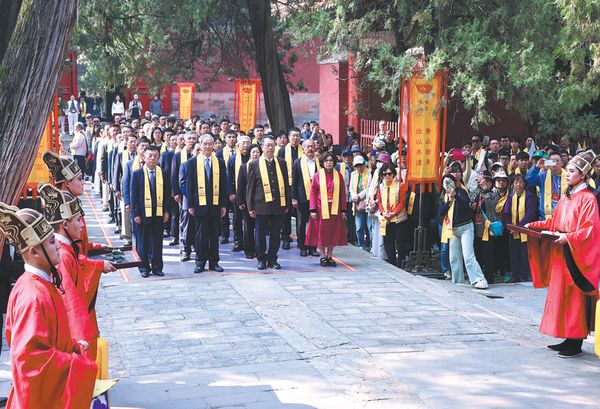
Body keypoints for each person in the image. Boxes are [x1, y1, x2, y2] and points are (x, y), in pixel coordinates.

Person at [0, 204, 97, 408]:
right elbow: (31, 361)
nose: (59, 246)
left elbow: (44, 341)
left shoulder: (38, 284)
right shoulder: (32, 295)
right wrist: (77, 364)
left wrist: (70, 346)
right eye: (52, 242)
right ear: (34, 252)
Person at [525, 151, 600, 358]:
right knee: (561, 297)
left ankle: (575, 343)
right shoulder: (568, 197)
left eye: (572, 171)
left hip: (575, 255)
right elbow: (553, 223)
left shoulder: (588, 198)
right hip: (562, 252)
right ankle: (567, 337)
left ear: (583, 175)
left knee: (574, 298)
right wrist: (535, 226)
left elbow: (590, 230)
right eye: (567, 170)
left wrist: (569, 238)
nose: (567, 174)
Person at [37, 183, 99, 359]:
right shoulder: (62, 255)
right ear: (65, 224)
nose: (82, 225)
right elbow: (70, 305)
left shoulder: (64, 250)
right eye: (78, 220)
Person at [181, 134, 227, 273]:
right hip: (198, 204)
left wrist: (223, 205)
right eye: (205, 144)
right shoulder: (192, 162)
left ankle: (214, 262)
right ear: (200, 145)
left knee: (214, 235)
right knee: (200, 235)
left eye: (210, 144)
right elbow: (189, 186)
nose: (207, 146)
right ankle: (200, 262)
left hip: (215, 204)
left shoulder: (220, 162)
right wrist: (190, 205)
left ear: (213, 145)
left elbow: (223, 185)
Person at [246, 136, 290, 270]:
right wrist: (250, 207)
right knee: (260, 234)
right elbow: (250, 188)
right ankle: (261, 259)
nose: (270, 148)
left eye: (272, 145)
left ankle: (272, 258)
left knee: (276, 234)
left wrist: (287, 203)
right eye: (267, 145)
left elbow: (286, 185)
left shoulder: (281, 162)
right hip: (261, 205)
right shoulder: (254, 164)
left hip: (278, 205)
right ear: (262, 147)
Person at [439, 173, 488, 289]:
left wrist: (455, 196)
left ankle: (480, 279)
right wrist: (449, 201)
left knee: (468, 255)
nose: (447, 184)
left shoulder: (461, 192)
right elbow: (440, 212)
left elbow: (467, 206)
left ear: (455, 183)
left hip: (466, 227)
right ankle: (458, 281)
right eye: (445, 183)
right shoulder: (444, 196)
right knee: (454, 258)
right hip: (454, 230)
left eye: (449, 182)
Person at [131, 145, 171, 277]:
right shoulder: (137, 173)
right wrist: (135, 213)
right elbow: (134, 195)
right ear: (144, 157)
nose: (152, 159)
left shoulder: (164, 173)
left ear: (159, 158)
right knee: (142, 242)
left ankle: (157, 267)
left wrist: (166, 211)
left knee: (158, 241)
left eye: (155, 156)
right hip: (142, 214)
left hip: (158, 213)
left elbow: (166, 195)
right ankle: (143, 268)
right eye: (150, 156)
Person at [306, 151, 348, 266]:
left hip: (334, 208)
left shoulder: (338, 176)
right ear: (322, 162)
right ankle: (323, 256)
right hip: (320, 209)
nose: (328, 163)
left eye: (330, 160)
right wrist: (313, 209)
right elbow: (313, 193)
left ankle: (330, 255)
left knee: (332, 232)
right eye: (326, 160)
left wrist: (343, 210)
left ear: (334, 162)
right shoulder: (317, 175)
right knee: (321, 232)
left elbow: (342, 194)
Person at [503, 174, 537, 282]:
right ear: (512, 185)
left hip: (525, 230)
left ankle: (524, 276)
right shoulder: (510, 197)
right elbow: (506, 213)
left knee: (524, 254)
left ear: (525, 184)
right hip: (513, 231)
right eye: (516, 183)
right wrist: (510, 227)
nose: (519, 185)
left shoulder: (530, 196)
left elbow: (530, 215)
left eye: (521, 182)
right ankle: (515, 274)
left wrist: (518, 227)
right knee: (514, 254)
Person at [292, 138, 321, 257]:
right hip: (302, 197)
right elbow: (294, 181)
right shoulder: (298, 162)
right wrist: (294, 198)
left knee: (314, 224)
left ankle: (313, 248)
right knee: (301, 224)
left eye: (312, 146)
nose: (310, 148)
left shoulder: (319, 162)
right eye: (307, 147)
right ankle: (303, 247)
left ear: (315, 148)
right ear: (303, 149)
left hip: (316, 198)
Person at [172, 131, 198, 261]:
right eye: (189, 139)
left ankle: (198, 247)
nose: (192, 140)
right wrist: (177, 192)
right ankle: (185, 249)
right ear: (184, 141)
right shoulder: (179, 156)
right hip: (185, 197)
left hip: (203, 198)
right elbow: (175, 176)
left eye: (194, 138)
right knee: (186, 223)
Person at [470, 171, 499, 284]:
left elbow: (491, 205)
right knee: (477, 255)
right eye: (482, 181)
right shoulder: (478, 193)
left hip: (487, 229)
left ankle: (489, 278)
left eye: (487, 181)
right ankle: (478, 277)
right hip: (476, 228)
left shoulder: (494, 194)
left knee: (488, 255)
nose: (484, 183)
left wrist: (485, 189)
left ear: (491, 183)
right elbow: (471, 200)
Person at [376, 164, 408, 267]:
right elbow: (379, 201)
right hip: (386, 217)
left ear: (393, 174)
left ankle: (400, 264)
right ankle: (392, 263)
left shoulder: (400, 186)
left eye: (389, 174)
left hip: (398, 218)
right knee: (388, 241)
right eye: (384, 174)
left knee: (400, 242)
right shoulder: (381, 186)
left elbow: (402, 201)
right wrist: (383, 212)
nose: (387, 176)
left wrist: (394, 213)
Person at [236, 143, 261, 259]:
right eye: (253, 152)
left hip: (261, 202)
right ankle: (249, 250)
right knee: (248, 227)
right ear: (249, 154)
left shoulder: (264, 166)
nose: (255, 154)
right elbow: (240, 186)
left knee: (260, 228)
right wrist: (240, 201)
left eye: (257, 152)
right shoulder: (244, 167)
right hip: (247, 203)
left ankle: (259, 249)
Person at [226, 135, 251, 252]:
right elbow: (228, 177)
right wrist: (231, 193)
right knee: (237, 219)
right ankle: (238, 241)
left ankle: (249, 242)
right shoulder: (233, 159)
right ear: (238, 146)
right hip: (238, 194)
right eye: (243, 143)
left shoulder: (255, 158)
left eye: (248, 143)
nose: (245, 145)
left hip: (252, 195)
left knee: (249, 221)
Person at [113, 134, 138, 246]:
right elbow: (116, 172)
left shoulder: (140, 155)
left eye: (135, 142)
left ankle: (136, 235)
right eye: (131, 142)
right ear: (126, 143)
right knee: (126, 214)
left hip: (138, 188)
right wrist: (117, 189)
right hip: (125, 187)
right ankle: (127, 237)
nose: (133, 144)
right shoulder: (121, 155)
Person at [526, 151, 565, 220]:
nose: (554, 163)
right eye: (552, 161)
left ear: (562, 163)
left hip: (563, 217)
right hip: (544, 217)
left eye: (557, 161)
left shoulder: (569, 177)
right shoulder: (543, 176)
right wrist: (537, 167)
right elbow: (529, 179)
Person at [216, 130, 239, 245]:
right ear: (225, 139)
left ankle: (237, 236)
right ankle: (224, 235)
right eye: (229, 137)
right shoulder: (219, 153)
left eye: (233, 137)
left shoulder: (241, 153)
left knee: (237, 214)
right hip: (222, 187)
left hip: (236, 188)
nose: (231, 139)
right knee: (223, 213)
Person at [349, 155, 371, 250]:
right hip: (358, 203)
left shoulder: (370, 173)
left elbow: (369, 188)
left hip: (367, 202)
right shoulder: (354, 174)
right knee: (359, 226)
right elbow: (351, 187)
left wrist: (359, 196)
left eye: (361, 165)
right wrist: (354, 196)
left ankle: (371, 245)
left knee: (370, 226)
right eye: (357, 166)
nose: (359, 167)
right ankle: (361, 244)